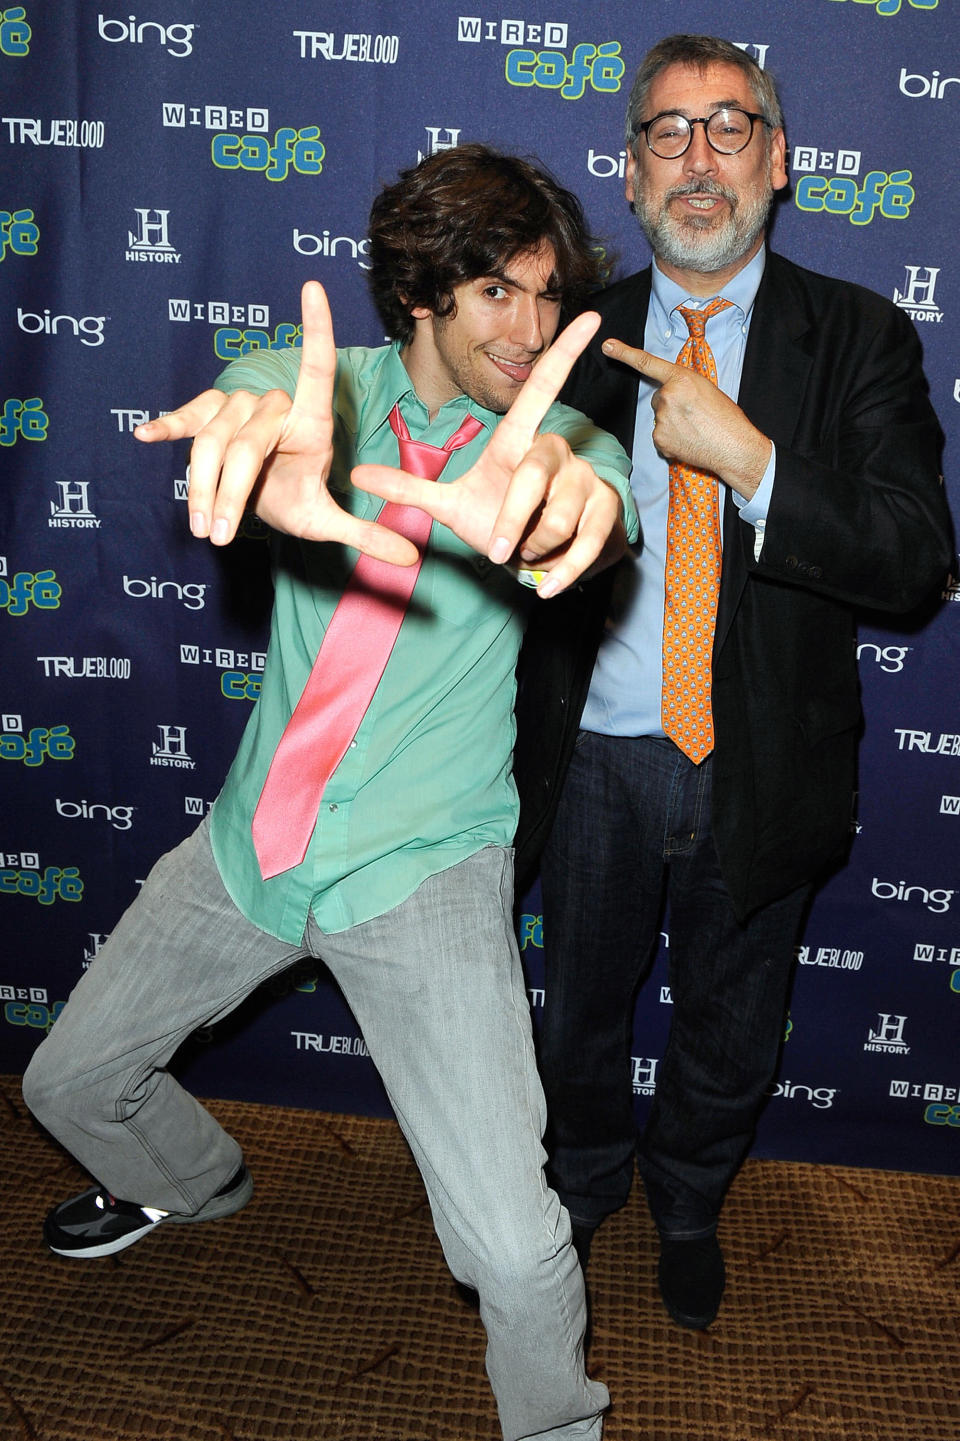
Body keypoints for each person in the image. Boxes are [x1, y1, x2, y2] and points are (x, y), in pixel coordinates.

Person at [22, 143, 639, 1441]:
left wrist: (564, 502)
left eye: (545, 296)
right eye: (495, 297)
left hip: (422, 870)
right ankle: (194, 1182)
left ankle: (558, 1426)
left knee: (518, 1252)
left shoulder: (559, 434)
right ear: (422, 294)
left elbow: (593, 495)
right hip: (254, 844)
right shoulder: (324, 391)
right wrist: (257, 438)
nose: (529, 332)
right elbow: (260, 401)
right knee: (67, 1083)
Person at [512, 34, 952, 1332]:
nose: (698, 161)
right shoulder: (563, 338)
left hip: (766, 758)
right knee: (578, 1012)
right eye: (667, 134)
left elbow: (915, 553)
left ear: (779, 159)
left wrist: (752, 461)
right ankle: (581, 1190)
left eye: (728, 128)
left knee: (732, 1024)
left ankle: (689, 1196)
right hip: (591, 760)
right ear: (630, 176)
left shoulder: (859, 336)